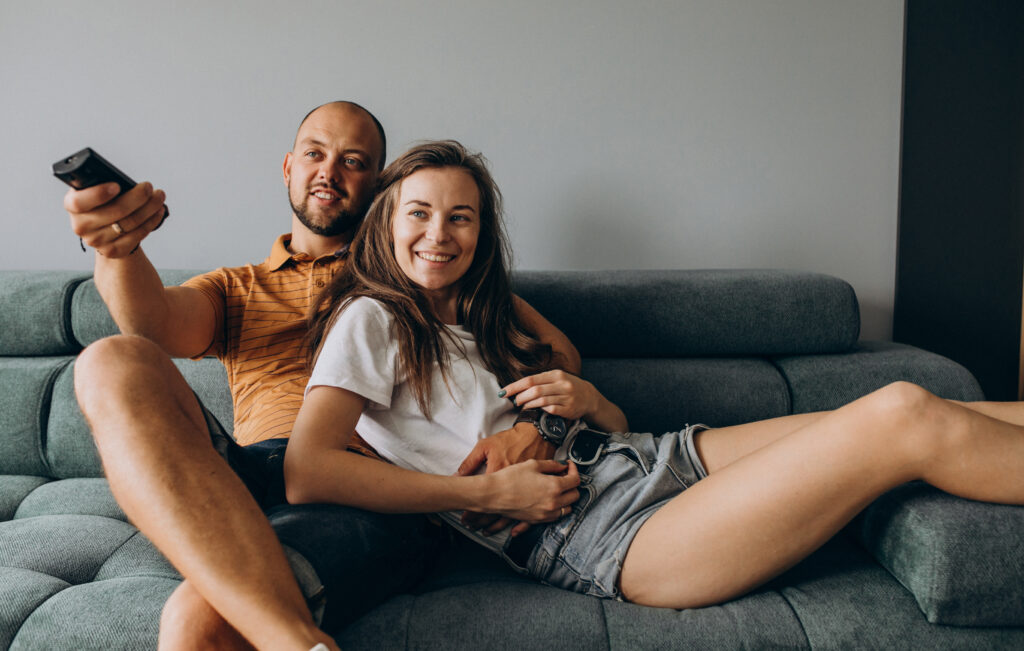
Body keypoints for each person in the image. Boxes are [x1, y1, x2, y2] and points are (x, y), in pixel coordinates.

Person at [286, 138, 1024, 613]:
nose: (438, 235)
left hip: (649, 454)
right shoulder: (373, 320)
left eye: (461, 218)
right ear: (385, 221)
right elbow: (307, 470)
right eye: (418, 214)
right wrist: (477, 491)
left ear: (483, 234)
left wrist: (587, 398)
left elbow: (569, 367)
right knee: (900, 414)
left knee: (917, 401)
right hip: (606, 532)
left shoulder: (479, 315)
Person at [64, 104, 580, 650]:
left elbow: (555, 354)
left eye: (353, 161)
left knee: (198, 626)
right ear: (288, 167)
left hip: (364, 490)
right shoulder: (236, 288)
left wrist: (531, 429)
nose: (329, 172)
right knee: (109, 360)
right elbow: (149, 326)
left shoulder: (418, 267)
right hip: (245, 477)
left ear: (381, 187)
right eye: (315, 153)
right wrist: (116, 248)